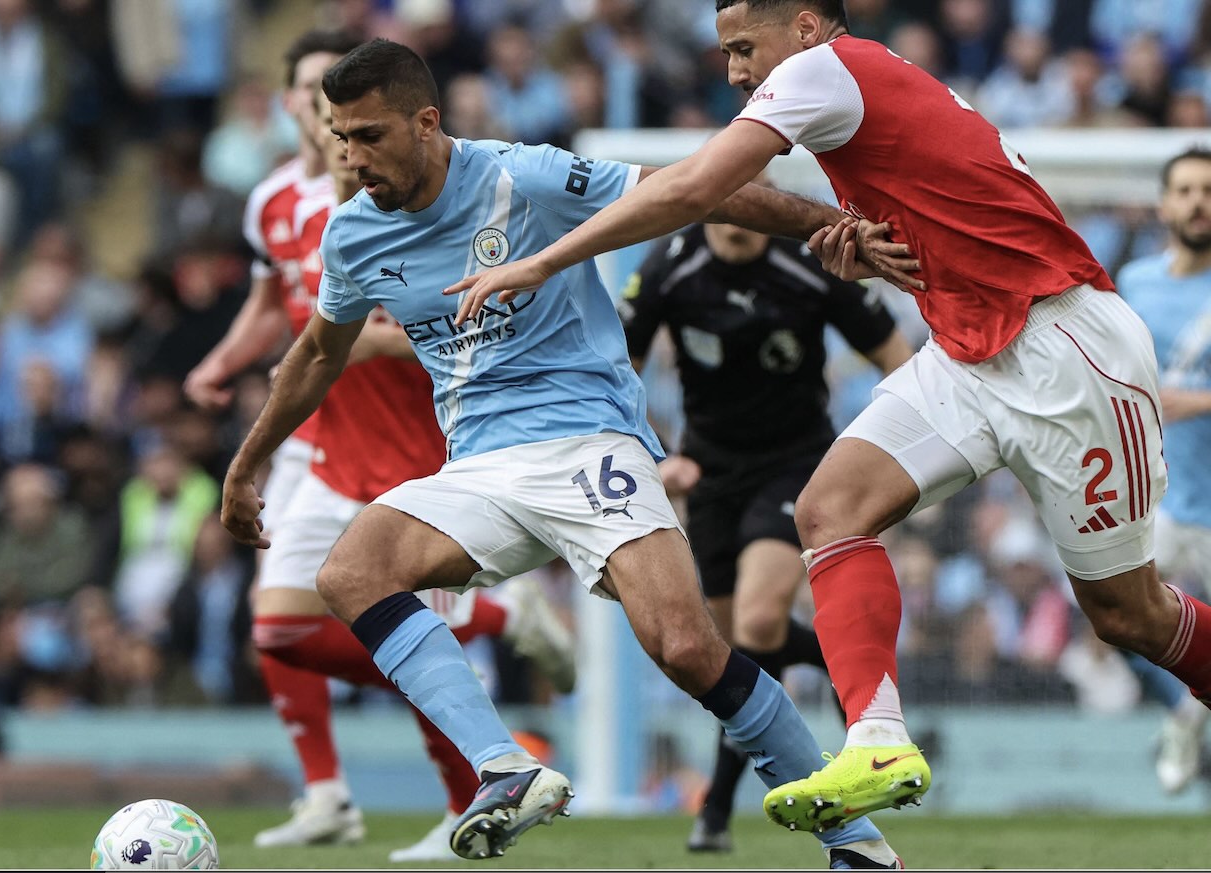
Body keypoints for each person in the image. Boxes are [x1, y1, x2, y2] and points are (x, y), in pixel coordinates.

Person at [448, 0, 1211, 835]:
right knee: (830, 508)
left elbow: (703, 185)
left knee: (1128, 613)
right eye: (726, 53)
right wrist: (853, 240)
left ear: (806, 28)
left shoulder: (821, 71)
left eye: (745, 47)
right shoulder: (852, 84)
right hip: (967, 348)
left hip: (1066, 348)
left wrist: (546, 261)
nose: (735, 71)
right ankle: (878, 740)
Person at [221, 38, 906, 869]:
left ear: (427, 122)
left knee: (688, 648)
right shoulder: (353, 237)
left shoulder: (523, 177)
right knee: (351, 571)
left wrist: (832, 227)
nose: (352, 157)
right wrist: (248, 462)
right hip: (479, 463)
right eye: (341, 137)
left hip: (587, 438)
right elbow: (317, 355)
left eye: (370, 135)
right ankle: (505, 767)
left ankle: (858, 842)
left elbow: (706, 194)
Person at [185, 30, 575, 858]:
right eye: (303, 98)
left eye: (328, 105)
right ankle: (333, 787)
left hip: (416, 445)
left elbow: (454, 320)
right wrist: (225, 363)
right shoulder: (275, 205)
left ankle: (468, 788)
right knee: (280, 629)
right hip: (322, 446)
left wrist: (372, 342)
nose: (312, 113)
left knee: (389, 624)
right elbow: (280, 313)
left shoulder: (404, 204)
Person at [620, 216, 913, 851]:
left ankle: (720, 803)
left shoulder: (808, 260)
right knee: (727, 652)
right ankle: (728, 799)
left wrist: (879, 459)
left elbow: (897, 359)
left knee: (755, 625)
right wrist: (658, 453)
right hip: (708, 472)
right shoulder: (671, 265)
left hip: (798, 467)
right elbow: (618, 371)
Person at [1116, 147, 1211, 795]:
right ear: (1164, 203)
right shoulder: (1136, 282)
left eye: (1208, 189)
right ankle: (1182, 712)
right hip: (1159, 493)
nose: (1198, 201)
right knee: (1116, 613)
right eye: (1185, 190)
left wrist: (1198, 401)